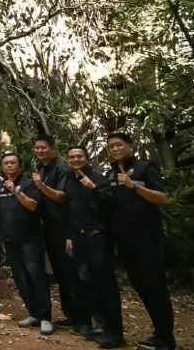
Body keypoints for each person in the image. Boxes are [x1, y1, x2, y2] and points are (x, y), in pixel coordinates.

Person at [105, 132, 174, 350]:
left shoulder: (145, 168)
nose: (115, 149)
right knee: (142, 287)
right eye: (111, 146)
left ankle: (166, 339)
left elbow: (163, 199)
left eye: (119, 145)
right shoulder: (112, 172)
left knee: (155, 287)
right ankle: (159, 334)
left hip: (147, 239)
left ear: (130, 146)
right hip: (125, 240)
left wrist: (134, 185)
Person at [63, 146, 124, 348]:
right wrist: (70, 236)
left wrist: (94, 188)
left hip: (98, 238)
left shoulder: (98, 178)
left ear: (87, 158)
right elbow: (72, 210)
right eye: (72, 157)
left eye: (79, 156)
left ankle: (115, 333)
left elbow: (111, 204)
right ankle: (101, 325)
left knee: (105, 285)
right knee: (87, 282)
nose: (75, 159)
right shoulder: (70, 181)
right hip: (78, 239)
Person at [33, 135, 89, 330]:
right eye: (37, 148)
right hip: (48, 226)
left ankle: (83, 319)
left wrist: (41, 185)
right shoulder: (42, 168)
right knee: (60, 273)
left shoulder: (61, 169)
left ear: (52, 148)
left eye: (43, 147)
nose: (40, 151)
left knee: (71, 273)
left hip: (63, 227)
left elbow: (62, 197)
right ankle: (71, 314)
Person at [0, 151, 53, 335]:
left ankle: (45, 317)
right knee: (20, 278)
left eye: (13, 162)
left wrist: (15, 191)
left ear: (20, 165)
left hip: (30, 239)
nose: (10, 165)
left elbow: (33, 205)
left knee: (36, 276)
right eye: (6, 163)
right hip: (10, 240)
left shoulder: (29, 183)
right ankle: (34, 313)